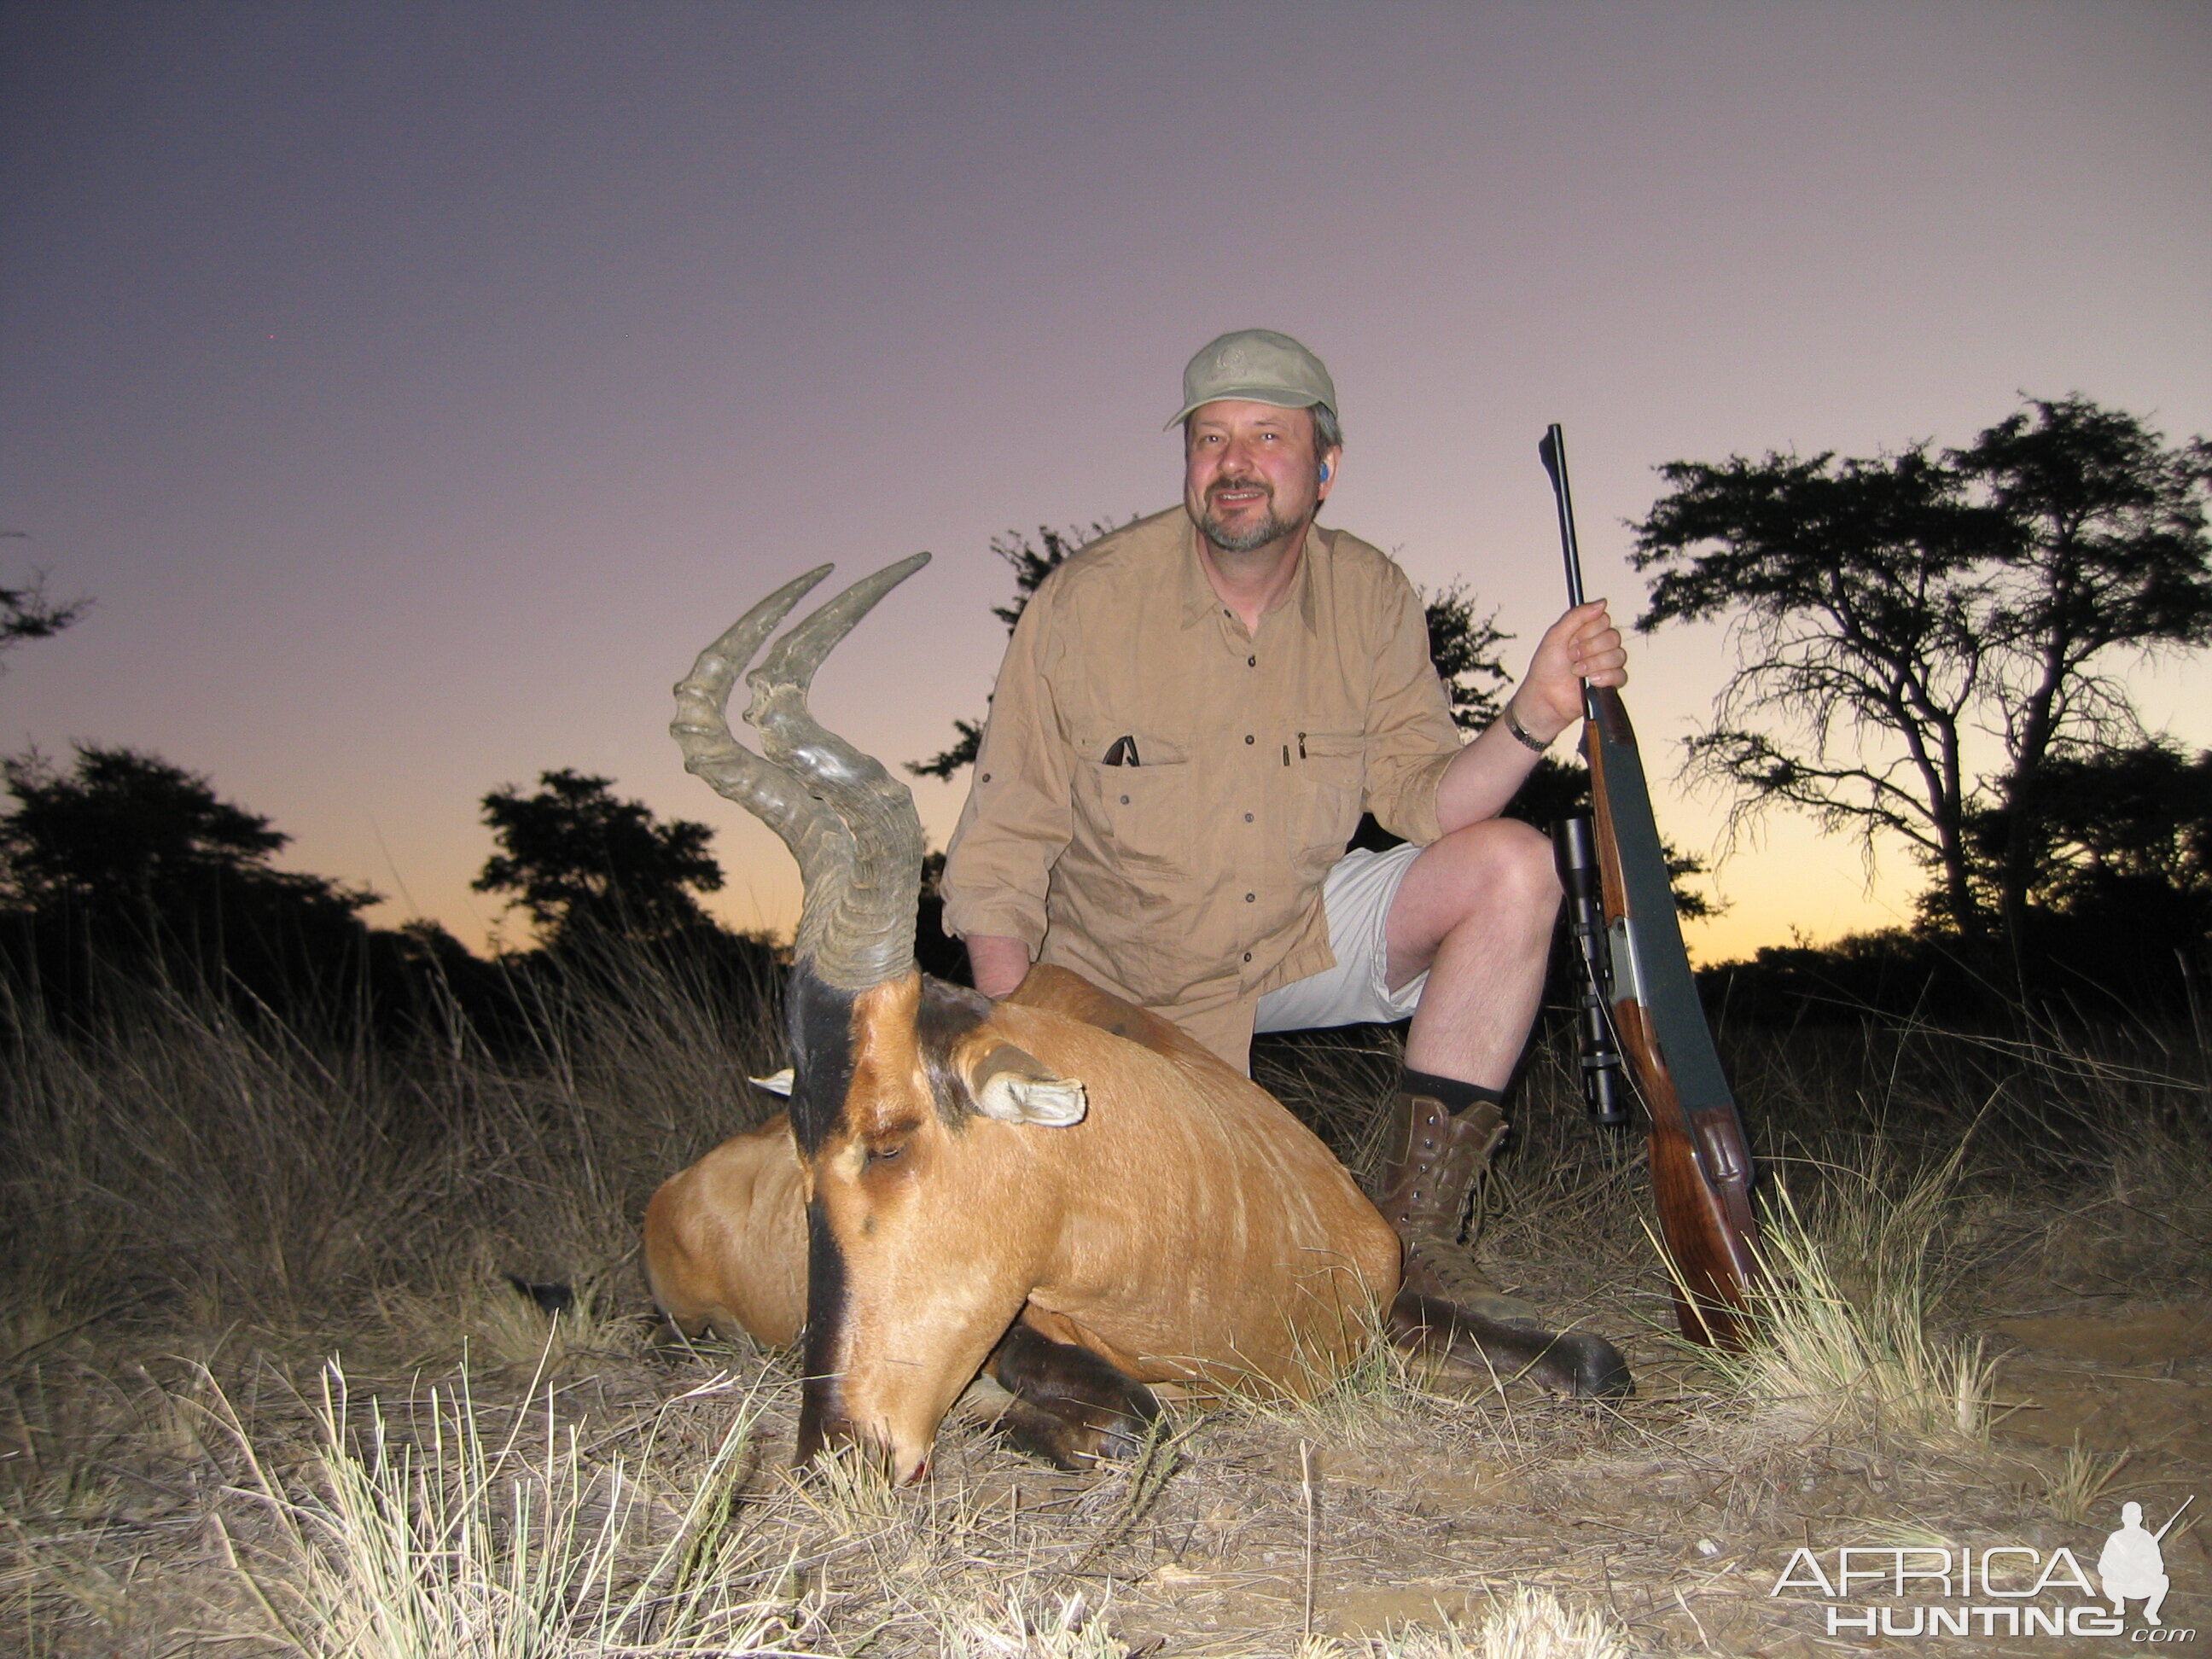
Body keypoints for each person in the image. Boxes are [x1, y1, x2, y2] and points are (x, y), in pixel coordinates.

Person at [940, 328, 1627, 1307]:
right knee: (1177, 1280)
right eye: (1210, 438)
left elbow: (1425, 799)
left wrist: (1537, 713)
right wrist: (1016, 1052)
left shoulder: (1372, 594)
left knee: (1516, 869)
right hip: (1116, 983)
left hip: (1286, 935)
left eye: (1268, 436)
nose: (1235, 465)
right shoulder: (1083, 604)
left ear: (1325, 468)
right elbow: (1001, 852)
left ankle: (1418, 1252)